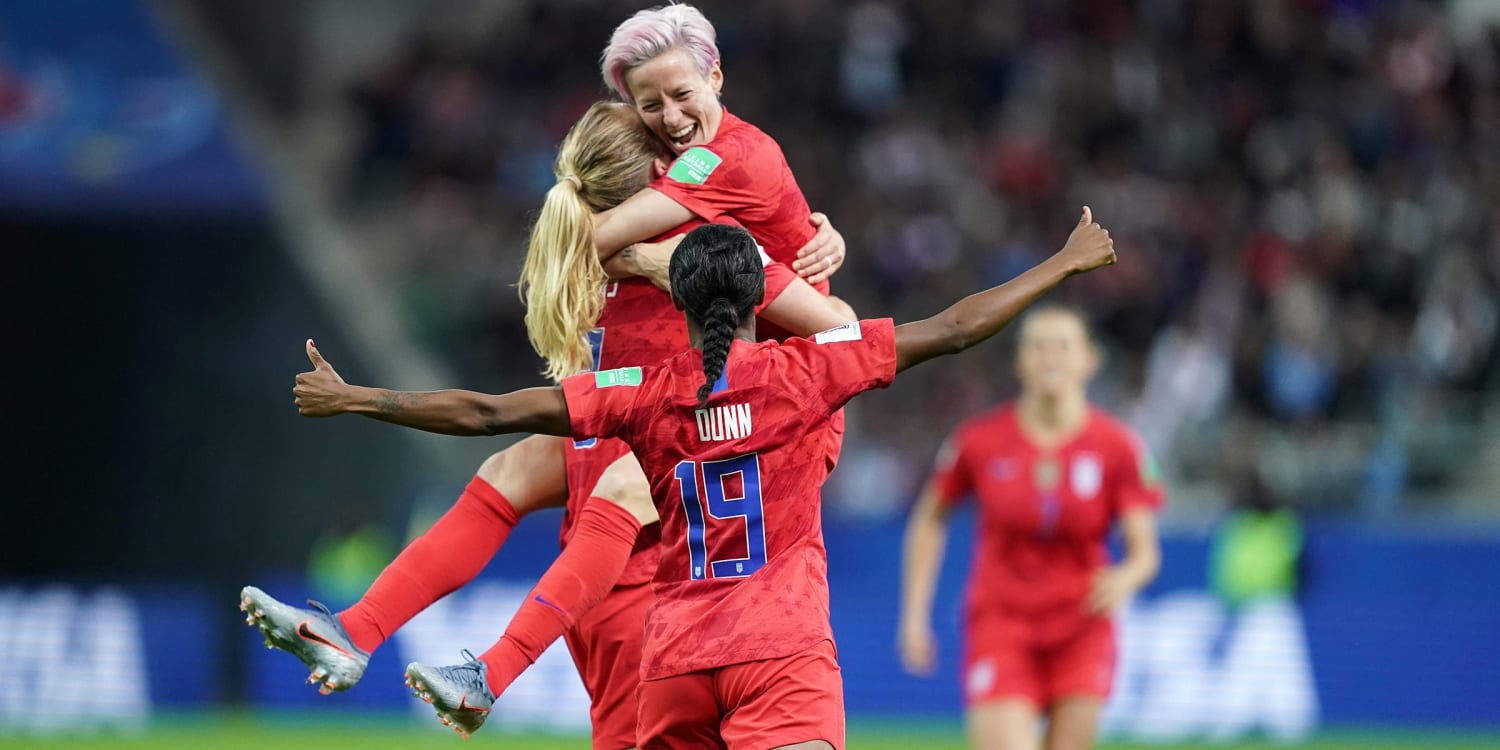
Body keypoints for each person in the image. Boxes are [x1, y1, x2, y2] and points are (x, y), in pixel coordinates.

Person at [290, 211, 1117, 748]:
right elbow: (958, 327)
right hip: (779, 650)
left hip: (676, 662)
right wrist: (1065, 263)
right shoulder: (809, 373)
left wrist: (354, 396)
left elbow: (486, 414)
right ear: (763, 295)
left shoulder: (637, 394)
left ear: (674, 303)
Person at [241, 101, 853, 748]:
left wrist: (361, 398)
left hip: (608, 590)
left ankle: (373, 634)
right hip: (656, 603)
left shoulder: (581, 247)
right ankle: (469, 666)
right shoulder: (696, 258)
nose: (688, 140)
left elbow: (492, 412)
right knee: (604, 474)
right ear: (658, 172)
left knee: (523, 466)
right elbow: (833, 324)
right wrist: (816, 257)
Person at [897, 305, 1164, 750]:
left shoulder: (1118, 447)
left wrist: (1126, 577)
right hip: (1002, 624)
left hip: (1083, 625)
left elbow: (1146, 553)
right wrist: (914, 616)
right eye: (1037, 347)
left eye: (1063, 346)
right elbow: (929, 518)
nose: (1050, 358)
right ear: (1020, 361)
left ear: (1089, 360)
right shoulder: (978, 441)